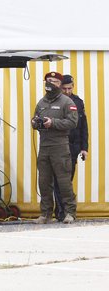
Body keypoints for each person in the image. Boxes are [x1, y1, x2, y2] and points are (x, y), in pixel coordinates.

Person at [32, 71, 78, 224]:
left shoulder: (67, 102)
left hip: (60, 146)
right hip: (44, 146)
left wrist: (53, 123)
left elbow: (72, 123)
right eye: (48, 81)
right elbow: (35, 118)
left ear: (60, 84)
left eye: (54, 81)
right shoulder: (41, 102)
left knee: (64, 181)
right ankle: (45, 214)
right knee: (44, 182)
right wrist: (35, 123)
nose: (50, 84)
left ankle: (70, 212)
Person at [52, 74, 88, 222]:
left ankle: (66, 211)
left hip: (73, 147)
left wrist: (84, 147)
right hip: (58, 145)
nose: (67, 91)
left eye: (70, 88)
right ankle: (61, 211)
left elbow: (83, 126)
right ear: (60, 87)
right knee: (57, 180)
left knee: (67, 180)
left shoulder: (78, 102)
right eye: (64, 88)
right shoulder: (54, 101)